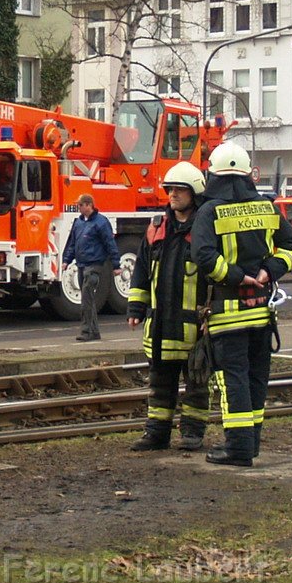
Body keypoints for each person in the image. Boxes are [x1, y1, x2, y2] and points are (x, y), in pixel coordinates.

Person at [192, 142, 292, 466]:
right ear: (247, 174)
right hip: (263, 312)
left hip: (228, 314)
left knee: (232, 378)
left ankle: (238, 449)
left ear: (212, 173)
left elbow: (203, 256)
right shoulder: (268, 207)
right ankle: (251, 443)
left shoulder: (209, 211)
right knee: (257, 377)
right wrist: (270, 271)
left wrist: (237, 277)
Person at [127, 161, 210, 451]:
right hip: (160, 324)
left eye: (180, 190)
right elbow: (141, 271)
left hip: (194, 326)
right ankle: (156, 434)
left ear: (195, 193)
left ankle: (192, 433)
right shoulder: (156, 228)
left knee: (197, 384)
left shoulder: (205, 230)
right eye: (170, 189)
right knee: (159, 384)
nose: (173, 194)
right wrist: (136, 308)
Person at [62, 193, 121, 341]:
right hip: (81, 264)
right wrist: (66, 260)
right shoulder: (78, 223)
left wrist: (116, 265)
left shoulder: (101, 223)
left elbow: (110, 243)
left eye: (80, 205)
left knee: (87, 296)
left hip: (94, 265)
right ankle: (94, 332)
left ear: (88, 205)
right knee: (87, 298)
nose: (78, 207)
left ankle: (87, 331)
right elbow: (72, 243)